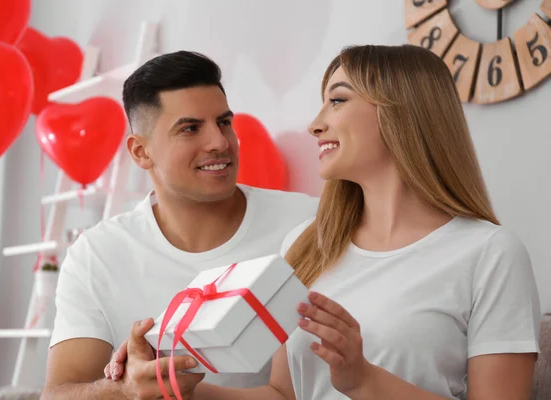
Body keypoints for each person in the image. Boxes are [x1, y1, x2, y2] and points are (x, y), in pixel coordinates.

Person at [109, 44, 541, 400]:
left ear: (403, 111)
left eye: (337, 100)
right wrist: (171, 382)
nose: (316, 125)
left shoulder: (488, 254)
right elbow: (282, 394)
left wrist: (364, 380)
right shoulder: (307, 244)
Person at [40, 50, 318, 399]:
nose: (219, 143)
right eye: (190, 128)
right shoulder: (97, 255)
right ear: (140, 152)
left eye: (224, 122)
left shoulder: (307, 224)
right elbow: (57, 394)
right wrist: (126, 391)